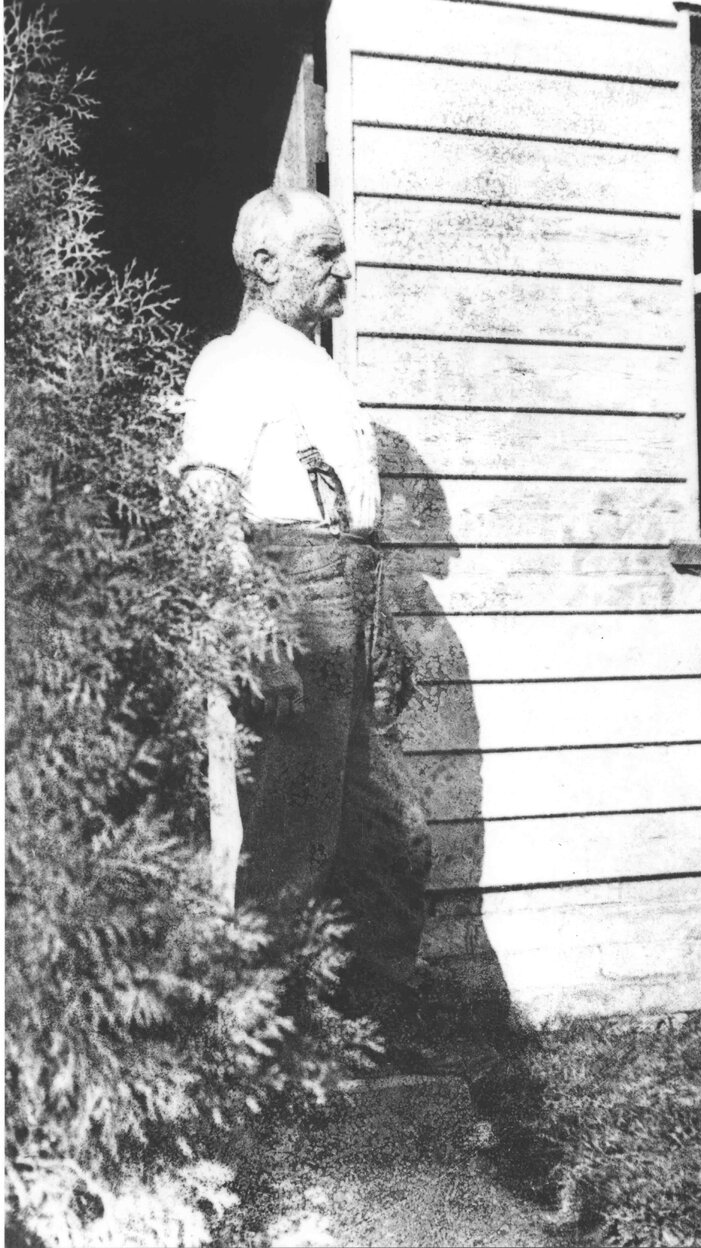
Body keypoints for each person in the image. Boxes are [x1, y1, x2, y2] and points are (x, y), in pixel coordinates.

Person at [177, 188, 429, 971]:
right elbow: (208, 509)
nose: (345, 269)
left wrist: (379, 632)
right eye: (324, 254)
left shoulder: (316, 364)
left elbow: (352, 528)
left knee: (394, 835)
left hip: (347, 602)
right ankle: (269, 1052)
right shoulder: (231, 364)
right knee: (292, 849)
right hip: (292, 613)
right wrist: (264, 640)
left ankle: (376, 1034)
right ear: (263, 263)